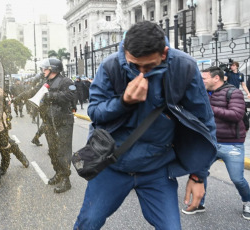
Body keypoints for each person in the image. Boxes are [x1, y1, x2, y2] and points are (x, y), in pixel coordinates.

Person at [73, 21, 217, 230]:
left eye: (149, 66)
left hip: (157, 169)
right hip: (113, 165)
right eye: (134, 65)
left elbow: (204, 122)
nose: (141, 73)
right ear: (125, 50)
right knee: (88, 223)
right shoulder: (111, 65)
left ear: (164, 53)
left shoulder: (184, 67)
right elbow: (95, 113)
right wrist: (123, 102)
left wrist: (198, 175)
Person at [181, 66, 250, 219]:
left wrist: (209, 108)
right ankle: (199, 203)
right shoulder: (203, 93)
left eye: (204, 78)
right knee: (199, 174)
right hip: (209, 142)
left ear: (216, 78)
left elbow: (236, 114)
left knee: (237, 179)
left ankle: (248, 202)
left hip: (231, 144)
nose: (201, 81)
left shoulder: (234, 92)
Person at [15, 58, 76, 193]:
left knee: (63, 151)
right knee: (53, 151)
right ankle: (58, 173)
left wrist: (51, 95)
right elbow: (32, 92)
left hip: (63, 122)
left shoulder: (67, 81)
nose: (43, 71)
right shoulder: (45, 82)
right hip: (49, 122)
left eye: (45, 69)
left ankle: (66, 179)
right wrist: (16, 99)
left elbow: (72, 93)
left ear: (53, 69)